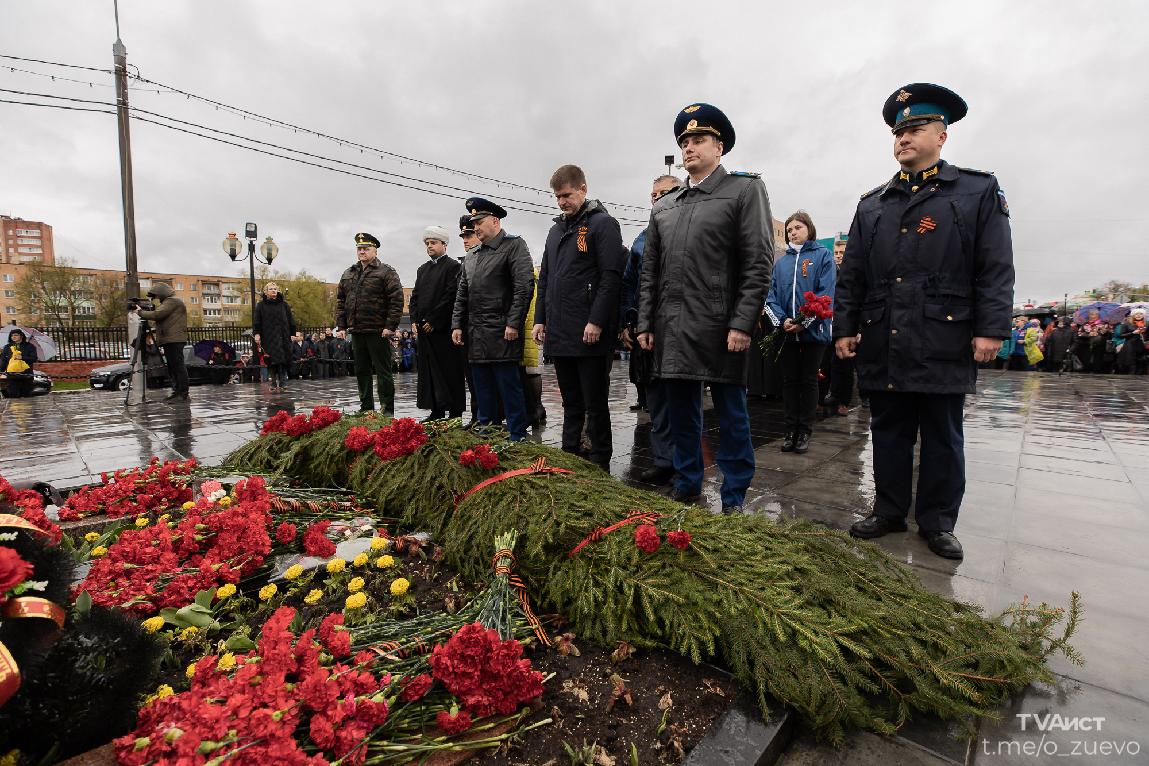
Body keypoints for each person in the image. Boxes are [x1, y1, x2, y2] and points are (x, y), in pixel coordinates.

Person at [835, 83, 1014, 560]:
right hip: (883, 333)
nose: (903, 138)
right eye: (898, 131)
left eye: (915, 128)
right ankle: (889, 510)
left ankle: (937, 521)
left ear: (942, 135)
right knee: (888, 429)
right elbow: (852, 273)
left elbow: (995, 266)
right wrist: (844, 327)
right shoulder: (872, 202)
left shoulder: (975, 190)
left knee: (941, 434)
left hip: (943, 332)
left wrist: (991, 328)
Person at [636, 103, 774, 513]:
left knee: (731, 416)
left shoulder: (744, 190)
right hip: (674, 327)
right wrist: (646, 322)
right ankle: (687, 480)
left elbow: (758, 261)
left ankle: (733, 494)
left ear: (719, 146)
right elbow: (650, 272)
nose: (689, 148)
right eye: (684, 142)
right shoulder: (666, 205)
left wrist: (742, 322)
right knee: (681, 414)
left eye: (698, 140)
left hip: (721, 327)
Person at [533, 165, 625, 471]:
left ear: (583, 189)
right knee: (570, 402)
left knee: (594, 403)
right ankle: (570, 454)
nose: (561, 202)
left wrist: (596, 320)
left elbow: (611, 277)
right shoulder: (555, 230)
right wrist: (540, 319)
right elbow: (545, 278)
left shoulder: (603, 224)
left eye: (567, 195)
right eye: (557, 197)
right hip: (560, 331)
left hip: (589, 332)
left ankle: (600, 459)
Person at [451, 197, 535, 441]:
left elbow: (524, 287)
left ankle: (517, 433)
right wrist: (457, 324)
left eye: (479, 222)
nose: (475, 227)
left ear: (495, 221)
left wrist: (513, 322)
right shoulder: (473, 255)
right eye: (473, 223)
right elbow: (462, 294)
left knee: (509, 387)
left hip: (502, 332)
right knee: (482, 387)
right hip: (476, 333)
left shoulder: (514, 246)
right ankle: (487, 429)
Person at [620, 175, 682, 485]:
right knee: (655, 398)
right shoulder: (642, 239)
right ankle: (663, 460)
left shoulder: (688, 228)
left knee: (682, 399)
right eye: (654, 194)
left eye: (665, 192)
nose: (657, 198)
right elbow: (630, 284)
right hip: (648, 330)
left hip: (682, 328)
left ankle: (685, 463)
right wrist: (628, 322)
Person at [765, 211, 835, 453]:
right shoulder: (781, 262)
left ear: (809, 228)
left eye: (797, 227)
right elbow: (770, 297)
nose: (793, 232)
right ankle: (790, 430)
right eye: (789, 230)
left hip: (814, 334)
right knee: (789, 381)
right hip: (786, 334)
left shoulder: (823, 256)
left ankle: (804, 430)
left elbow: (826, 295)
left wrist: (805, 322)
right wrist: (783, 321)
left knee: (808, 380)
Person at [337, 232, 405, 414]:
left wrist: (390, 326)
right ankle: (366, 407)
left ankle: (387, 409)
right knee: (361, 371)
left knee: (383, 371)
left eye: (366, 248)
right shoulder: (348, 273)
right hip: (357, 330)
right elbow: (341, 302)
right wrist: (342, 326)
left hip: (378, 330)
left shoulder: (386, 272)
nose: (362, 251)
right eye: (359, 249)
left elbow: (396, 300)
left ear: (375, 250)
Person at [410, 225, 467, 420]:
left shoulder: (453, 267)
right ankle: (436, 409)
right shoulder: (422, 269)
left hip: (443, 330)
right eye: (427, 243)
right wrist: (415, 320)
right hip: (425, 330)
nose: (429, 246)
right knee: (430, 374)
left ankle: (455, 411)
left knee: (450, 371)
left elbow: (451, 295)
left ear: (444, 244)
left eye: (433, 242)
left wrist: (434, 320)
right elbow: (415, 297)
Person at [134, 282, 189, 401]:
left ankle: (182, 393)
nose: (156, 298)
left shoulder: (172, 301)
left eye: (156, 296)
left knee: (177, 366)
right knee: (173, 366)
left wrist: (140, 312)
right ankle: (177, 392)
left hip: (174, 339)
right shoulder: (169, 302)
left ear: (161, 293)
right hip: (170, 338)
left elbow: (157, 314)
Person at [825, 240, 856, 414]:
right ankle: (830, 397)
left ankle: (844, 401)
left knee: (845, 365)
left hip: (847, 326)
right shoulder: (830, 271)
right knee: (828, 364)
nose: (838, 256)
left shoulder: (853, 273)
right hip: (829, 323)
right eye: (836, 252)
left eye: (841, 252)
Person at [253, 282, 296, 391]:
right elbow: (257, 321)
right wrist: (257, 334)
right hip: (268, 336)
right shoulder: (261, 305)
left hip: (283, 336)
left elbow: (291, 320)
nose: (273, 290)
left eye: (275, 289)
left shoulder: (284, 304)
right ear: (266, 292)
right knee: (271, 360)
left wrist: (292, 334)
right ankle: (273, 382)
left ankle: (283, 382)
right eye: (271, 289)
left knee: (283, 359)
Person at [1, 328, 37, 398]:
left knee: (26, 396)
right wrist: (1, 371)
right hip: (12, 375)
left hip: (26, 374)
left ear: (21, 336)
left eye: (16, 335)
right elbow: (4, 361)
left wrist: (22, 357)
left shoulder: (29, 346)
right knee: (13, 395)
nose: (13, 337)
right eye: (12, 336)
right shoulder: (7, 347)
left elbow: (34, 359)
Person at [1116, 309, 1147, 374]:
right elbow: (1121, 335)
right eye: (1136, 314)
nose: (1138, 315)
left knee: (1141, 363)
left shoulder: (1146, 324)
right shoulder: (1127, 323)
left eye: (1140, 314)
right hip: (1130, 346)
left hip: (1141, 346)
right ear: (1133, 315)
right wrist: (1133, 333)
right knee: (1130, 364)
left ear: (1143, 315)